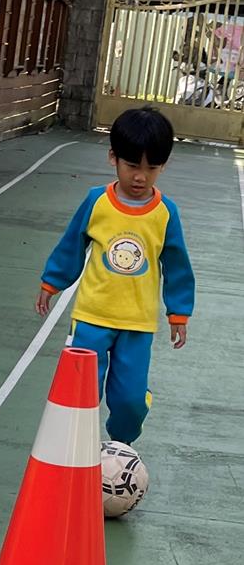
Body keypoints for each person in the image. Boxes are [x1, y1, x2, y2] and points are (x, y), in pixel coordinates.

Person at [36, 106, 195, 444]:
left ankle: (120, 446)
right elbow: (72, 244)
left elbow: (177, 265)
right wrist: (52, 282)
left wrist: (179, 312)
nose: (141, 177)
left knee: (129, 401)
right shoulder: (97, 202)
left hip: (137, 324)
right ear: (113, 158)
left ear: (163, 166)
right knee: (82, 394)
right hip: (91, 317)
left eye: (151, 168)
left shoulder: (166, 213)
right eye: (132, 166)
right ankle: (79, 451)